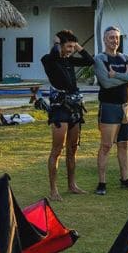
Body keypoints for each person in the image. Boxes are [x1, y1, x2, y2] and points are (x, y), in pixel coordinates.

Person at [40, 30, 93, 199]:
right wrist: (56, 43)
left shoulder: (69, 60)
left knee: (72, 149)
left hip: (75, 108)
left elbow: (89, 61)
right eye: (68, 46)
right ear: (60, 45)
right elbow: (55, 53)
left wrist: (78, 45)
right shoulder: (49, 60)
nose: (70, 49)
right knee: (57, 149)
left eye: (72, 46)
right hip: (59, 110)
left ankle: (72, 185)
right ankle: (53, 190)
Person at [94, 25, 128, 195]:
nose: (114, 41)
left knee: (124, 145)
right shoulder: (100, 59)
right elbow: (106, 83)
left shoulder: (125, 57)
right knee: (106, 146)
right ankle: (102, 183)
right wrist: (125, 79)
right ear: (104, 39)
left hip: (126, 107)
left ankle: (125, 179)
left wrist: (116, 76)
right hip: (109, 107)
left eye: (117, 37)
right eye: (111, 38)